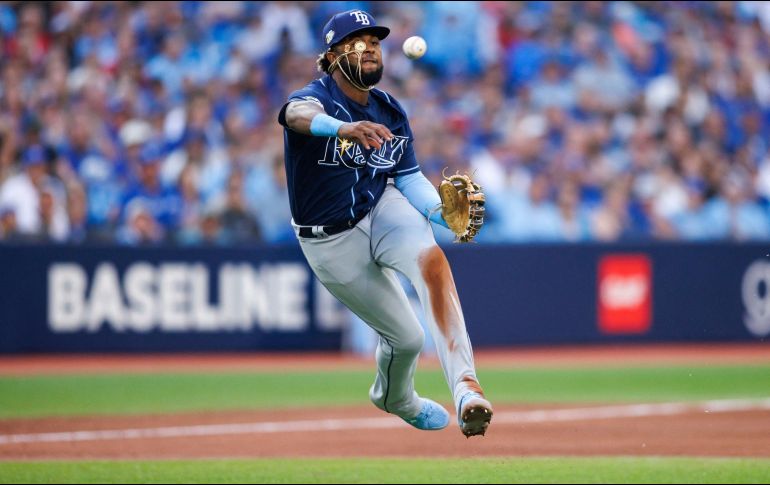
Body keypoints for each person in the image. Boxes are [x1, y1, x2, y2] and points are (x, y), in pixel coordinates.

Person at [277, 9, 492, 437]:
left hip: (382, 206)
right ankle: (395, 398)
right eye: (358, 43)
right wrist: (342, 128)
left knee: (432, 263)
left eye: (375, 42)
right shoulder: (316, 97)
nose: (370, 48)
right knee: (408, 340)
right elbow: (292, 114)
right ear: (333, 56)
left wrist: (440, 213)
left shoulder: (389, 109)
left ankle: (467, 387)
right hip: (330, 240)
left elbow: (408, 177)